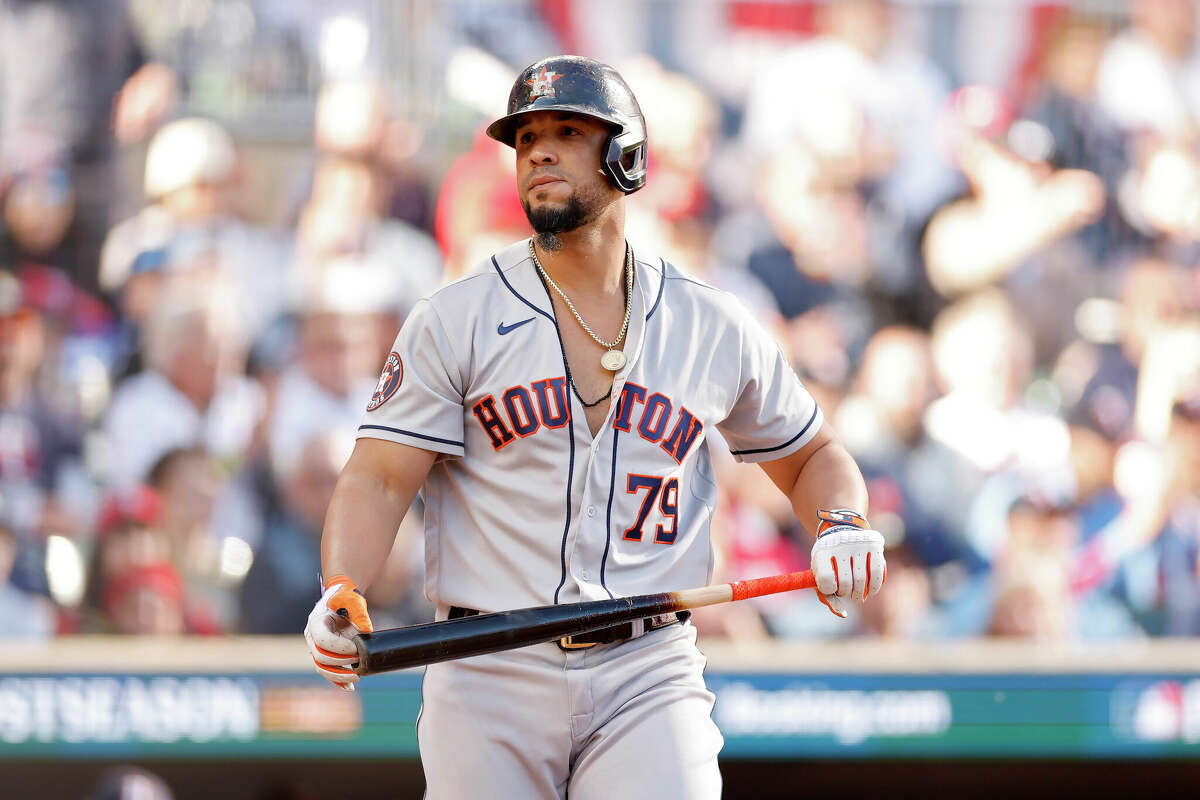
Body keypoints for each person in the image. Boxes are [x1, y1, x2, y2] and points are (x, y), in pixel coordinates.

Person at [303, 55, 887, 799]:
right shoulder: (455, 317)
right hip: (489, 668)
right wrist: (343, 587)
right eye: (526, 138)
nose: (538, 150)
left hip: (648, 669)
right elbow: (378, 478)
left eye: (567, 130)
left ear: (628, 155)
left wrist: (839, 523)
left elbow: (813, 456)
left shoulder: (710, 321)